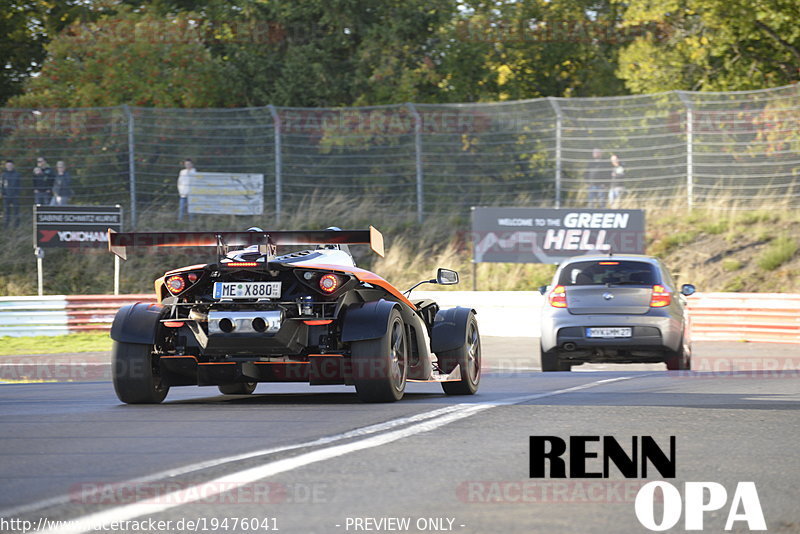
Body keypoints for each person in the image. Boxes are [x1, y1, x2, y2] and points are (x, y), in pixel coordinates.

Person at [1, 160, 21, 228]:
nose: (9, 166)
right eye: (8, 165)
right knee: (6, 212)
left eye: (10, 165)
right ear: (6, 166)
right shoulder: (3, 175)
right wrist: (2, 193)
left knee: (16, 212)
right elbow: (1, 185)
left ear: (13, 166)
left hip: (15, 196)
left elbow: (19, 185)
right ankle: (6, 227)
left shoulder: (17, 174)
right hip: (6, 196)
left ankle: (16, 227)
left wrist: (17, 194)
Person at [177, 158, 195, 222]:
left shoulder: (194, 172)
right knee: (181, 209)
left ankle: (191, 222)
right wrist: (180, 191)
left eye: (189, 164)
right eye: (186, 164)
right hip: (183, 194)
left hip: (192, 194)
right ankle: (180, 221)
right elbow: (179, 182)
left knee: (191, 210)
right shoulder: (182, 172)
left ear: (192, 164)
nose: (187, 165)